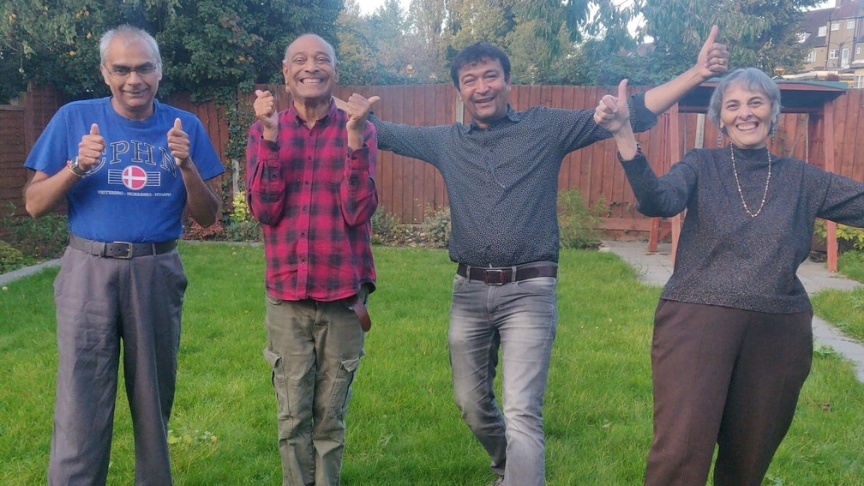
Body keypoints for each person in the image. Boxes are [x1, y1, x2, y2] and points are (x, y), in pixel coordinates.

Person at [339, 27, 730, 486]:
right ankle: (510, 467)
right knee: (470, 401)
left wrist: (698, 73)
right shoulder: (446, 142)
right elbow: (375, 130)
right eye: (470, 80)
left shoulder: (544, 128)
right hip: (468, 291)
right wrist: (343, 110)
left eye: (490, 76)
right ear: (459, 90)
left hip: (530, 289)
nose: (481, 87)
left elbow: (634, 111)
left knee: (523, 411)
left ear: (508, 82)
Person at [594, 67, 864, 485]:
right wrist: (624, 135)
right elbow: (657, 200)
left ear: (774, 112)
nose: (745, 113)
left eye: (756, 102)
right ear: (720, 118)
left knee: (747, 460)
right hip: (697, 321)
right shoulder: (703, 164)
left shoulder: (802, 178)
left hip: (778, 331)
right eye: (733, 105)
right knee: (680, 454)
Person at [22, 25, 224, 485]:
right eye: (122, 69)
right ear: (105, 73)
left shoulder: (183, 126)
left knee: (154, 400)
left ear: (159, 70)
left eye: (144, 67)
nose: (135, 79)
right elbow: (34, 204)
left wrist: (187, 165)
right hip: (87, 271)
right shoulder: (75, 118)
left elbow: (208, 216)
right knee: (81, 399)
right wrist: (77, 166)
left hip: (156, 269)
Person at [245, 33, 378, 486]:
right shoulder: (265, 129)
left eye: (322, 59)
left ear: (334, 72)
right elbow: (264, 209)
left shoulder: (357, 127)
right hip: (287, 297)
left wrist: (355, 138)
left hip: (342, 296)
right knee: (292, 418)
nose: (311, 66)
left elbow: (357, 210)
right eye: (299, 59)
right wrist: (269, 136)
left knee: (329, 419)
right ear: (285, 73)